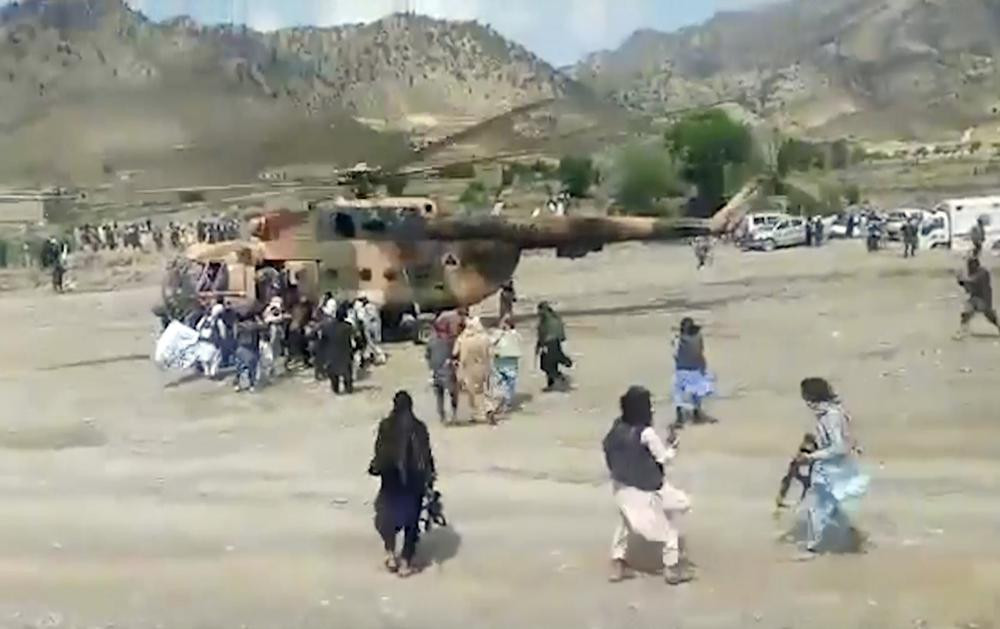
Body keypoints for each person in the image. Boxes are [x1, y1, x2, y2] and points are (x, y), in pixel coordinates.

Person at [603, 386, 694, 585]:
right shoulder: (647, 434)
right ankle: (672, 566)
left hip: (622, 487)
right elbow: (664, 458)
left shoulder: (617, 427)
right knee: (672, 518)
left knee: (625, 522)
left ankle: (617, 564)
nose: (652, 410)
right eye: (649, 405)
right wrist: (674, 446)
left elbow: (607, 450)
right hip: (647, 488)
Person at [794, 378, 868, 560]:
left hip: (832, 470)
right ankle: (851, 542)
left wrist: (811, 457)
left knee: (817, 509)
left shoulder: (830, 417)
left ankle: (813, 550)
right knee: (832, 508)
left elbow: (839, 447)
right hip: (841, 468)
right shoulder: (836, 412)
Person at [368, 391, 436, 578]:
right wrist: (430, 477)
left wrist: (377, 467)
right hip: (415, 481)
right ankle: (405, 561)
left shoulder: (386, 426)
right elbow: (426, 454)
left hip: (391, 479)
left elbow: (380, 451)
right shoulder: (419, 427)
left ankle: (390, 554)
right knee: (411, 521)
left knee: (387, 514)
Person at [672, 317, 715, 427]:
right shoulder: (698, 337)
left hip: (682, 368)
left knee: (680, 393)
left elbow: (675, 355)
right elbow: (700, 351)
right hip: (696, 367)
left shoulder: (678, 339)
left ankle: (680, 418)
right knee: (697, 392)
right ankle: (697, 414)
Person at [452, 316, 494, 425]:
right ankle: (488, 408)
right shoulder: (485, 337)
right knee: (485, 390)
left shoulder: (463, 338)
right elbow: (491, 352)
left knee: (471, 392)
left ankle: (475, 414)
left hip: (468, 368)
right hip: (483, 367)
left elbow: (454, 352)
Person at [425, 315, 459, 424]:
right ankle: (454, 414)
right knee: (453, 393)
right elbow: (455, 354)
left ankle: (442, 416)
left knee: (439, 395)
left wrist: (431, 366)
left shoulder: (431, 341)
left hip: (436, 371)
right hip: (448, 371)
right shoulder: (450, 340)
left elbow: (427, 355)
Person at [956, 257, 1000, 338]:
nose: (969, 267)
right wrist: (962, 283)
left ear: (976, 264)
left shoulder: (983, 272)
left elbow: (974, 280)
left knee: (991, 316)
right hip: (975, 298)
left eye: (970, 265)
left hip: (984, 299)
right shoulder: (972, 273)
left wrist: (962, 280)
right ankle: (962, 332)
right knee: (966, 313)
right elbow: (969, 289)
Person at [319, 305, 356, 394]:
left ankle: (336, 389)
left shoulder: (327, 327)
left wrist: (322, 354)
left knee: (333, 373)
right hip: (345, 352)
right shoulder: (348, 326)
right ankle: (348, 388)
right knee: (347, 373)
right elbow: (355, 339)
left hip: (331, 353)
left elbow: (323, 341)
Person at [490, 315, 523, 415]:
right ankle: (506, 401)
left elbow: (491, 342)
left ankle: (503, 401)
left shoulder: (500, 334)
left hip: (502, 359)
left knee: (503, 381)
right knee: (509, 381)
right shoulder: (515, 334)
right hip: (510, 359)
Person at [536, 302, 572, 391]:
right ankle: (553, 381)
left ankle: (557, 377)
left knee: (546, 364)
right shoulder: (555, 317)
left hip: (549, 343)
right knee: (552, 363)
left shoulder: (544, 320)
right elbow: (560, 329)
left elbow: (542, 334)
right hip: (556, 342)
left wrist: (539, 346)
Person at [233, 313, 262, 393]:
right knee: (252, 368)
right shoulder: (255, 326)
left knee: (240, 368)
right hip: (251, 349)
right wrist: (258, 318)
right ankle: (251, 385)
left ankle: (237, 384)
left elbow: (235, 336)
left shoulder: (238, 326)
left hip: (242, 348)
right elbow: (264, 326)